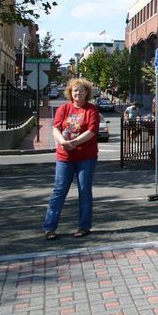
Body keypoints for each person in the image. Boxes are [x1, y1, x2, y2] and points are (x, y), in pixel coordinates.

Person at [43, 78, 101, 240]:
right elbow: (56, 127)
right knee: (59, 190)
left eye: (81, 90)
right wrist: (62, 142)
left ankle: (84, 226)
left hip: (86, 157)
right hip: (65, 157)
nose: (78, 93)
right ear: (70, 92)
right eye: (75, 90)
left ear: (87, 93)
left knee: (84, 191)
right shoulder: (64, 108)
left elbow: (92, 131)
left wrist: (73, 142)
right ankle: (50, 228)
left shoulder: (91, 110)